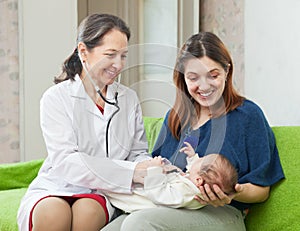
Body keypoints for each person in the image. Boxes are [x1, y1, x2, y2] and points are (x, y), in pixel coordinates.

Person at [101, 32, 285, 231]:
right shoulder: (176, 117)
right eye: (193, 78)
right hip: (169, 205)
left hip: (223, 213)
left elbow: (262, 190)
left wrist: (232, 194)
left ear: (227, 71)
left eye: (213, 75)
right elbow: (157, 170)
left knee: (138, 224)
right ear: (183, 78)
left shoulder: (248, 115)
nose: (204, 86)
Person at [17, 13, 154, 231]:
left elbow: (137, 152)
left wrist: (148, 166)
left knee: (87, 212)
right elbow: (65, 161)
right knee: (53, 213)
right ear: (83, 51)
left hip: (103, 190)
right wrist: (130, 172)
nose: (118, 65)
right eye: (110, 55)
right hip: (57, 184)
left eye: (123, 56)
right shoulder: (56, 98)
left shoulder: (128, 99)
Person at [105, 144, 238, 213]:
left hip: (142, 199)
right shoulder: (195, 185)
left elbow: (159, 194)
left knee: (113, 189)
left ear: (199, 180)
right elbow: (195, 172)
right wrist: (193, 157)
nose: (199, 158)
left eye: (200, 159)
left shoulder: (185, 192)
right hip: (148, 187)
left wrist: (155, 170)